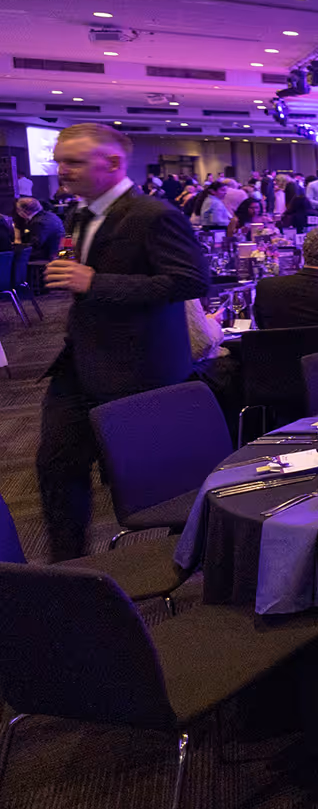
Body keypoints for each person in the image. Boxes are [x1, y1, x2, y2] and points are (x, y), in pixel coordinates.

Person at [37, 123, 210, 561]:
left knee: (156, 484)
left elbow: (189, 281)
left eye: (73, 161)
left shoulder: (154, 214)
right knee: (56, 468)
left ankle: (191, 565)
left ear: (113, 163)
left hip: (137, 368)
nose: (62, 170)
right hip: (80, 364)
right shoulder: (81, 213)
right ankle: (68, 571)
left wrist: (96, 281)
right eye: (59, 160)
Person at [16, 196, 64, 261]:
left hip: (46, 256)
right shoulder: (51, 215)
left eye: (18, 210)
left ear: (25, 211)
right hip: (56, 252)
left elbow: (35, 245)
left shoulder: (38, 223)